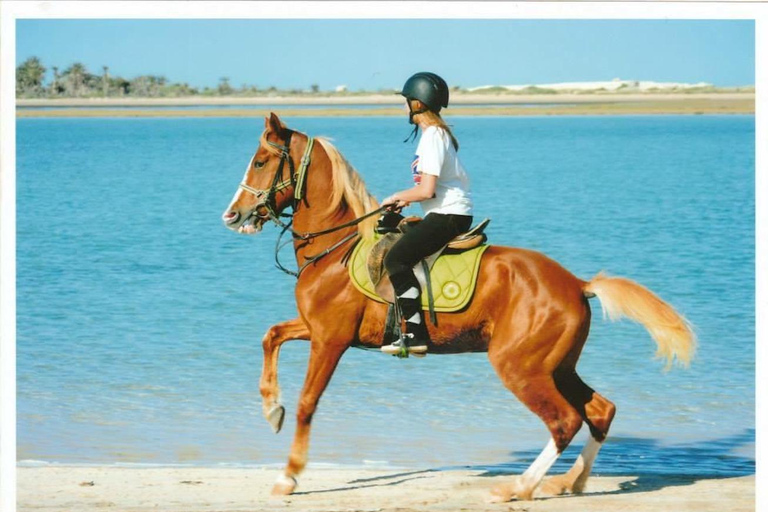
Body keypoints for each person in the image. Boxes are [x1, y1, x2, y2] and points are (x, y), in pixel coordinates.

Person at [380, 72, 473, 356]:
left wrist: (396, 196)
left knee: (395, 259)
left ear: (417, 104)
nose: (403, 107)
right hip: (446, 211)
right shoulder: (437, 134)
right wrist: (405, 203)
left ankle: (414, 333)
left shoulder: (432, 136)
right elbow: (428, 190)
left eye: (406, 101)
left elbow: (428, 189)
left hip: (448, 215)